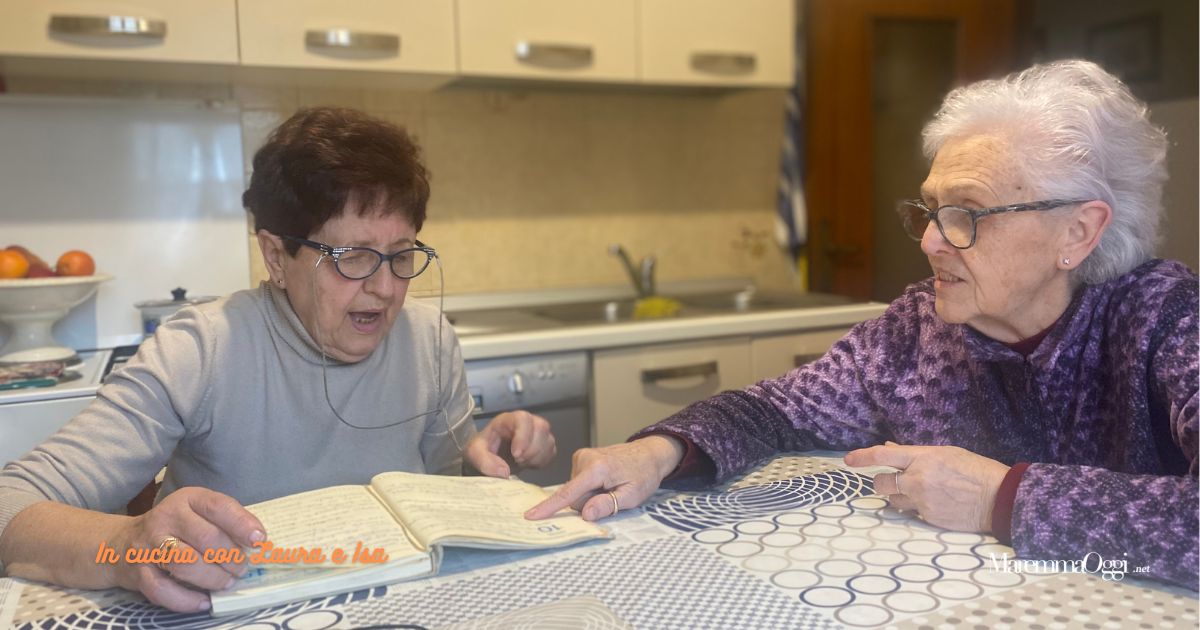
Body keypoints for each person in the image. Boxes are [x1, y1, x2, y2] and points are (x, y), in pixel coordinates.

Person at [529, 60, 1199, 589]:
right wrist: (660, 452)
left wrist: (1003, 496)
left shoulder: (1165, 317)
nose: (932, 242)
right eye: (930, 211)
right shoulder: (912, 332)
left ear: (1078, 233)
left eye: (967, 214)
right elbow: (774, 411)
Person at [0, 107, 558, 612]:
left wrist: (485, 459)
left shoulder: (429, 340)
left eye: (402, 255)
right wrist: (126, 546)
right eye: (355, 257)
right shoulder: (200, 349)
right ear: (275, 255)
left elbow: (442, 499)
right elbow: (11, 506)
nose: (387, 289)